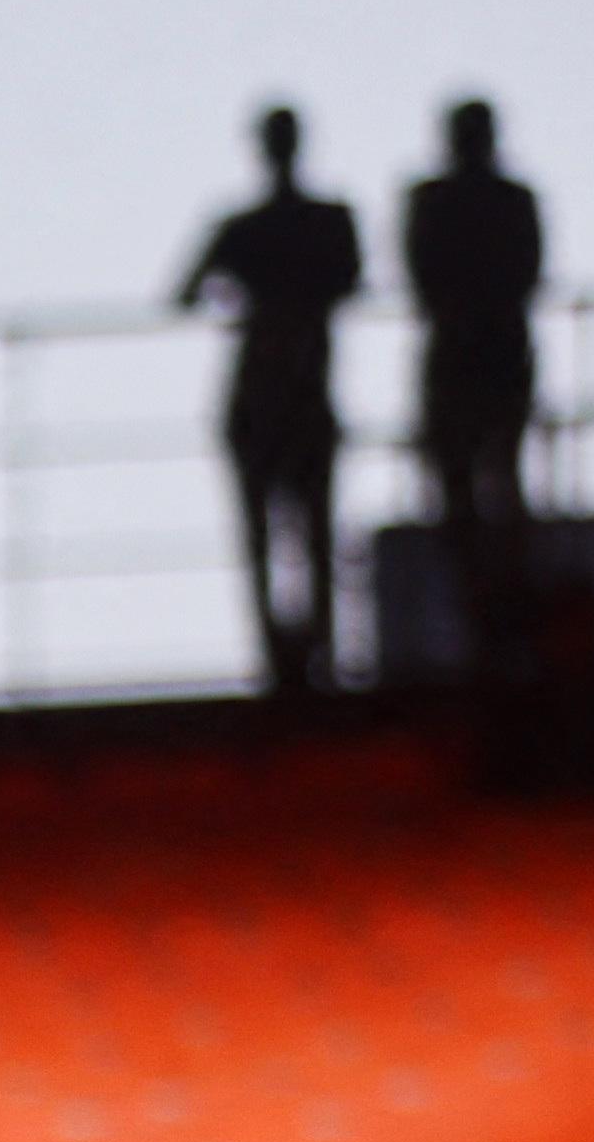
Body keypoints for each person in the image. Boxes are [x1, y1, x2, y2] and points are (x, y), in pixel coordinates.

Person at [179, 110, 369, 695]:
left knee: (265, 535)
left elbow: (185, 294)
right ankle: (322, 651)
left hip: (262, 393)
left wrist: (242, 291)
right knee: (313, 532)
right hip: (304, 391)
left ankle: (277, 655)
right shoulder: (329, 221)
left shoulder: (242, 227)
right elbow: (352, 283)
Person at [405, 100, 550, 674]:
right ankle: (499, 608)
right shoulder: (514, 201)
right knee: (497, 485)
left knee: (465, 489)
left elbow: (422, 274)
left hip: (463, 357)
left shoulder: (432, 201)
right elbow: (528, 272)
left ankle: (483, 608)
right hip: (499, 355)